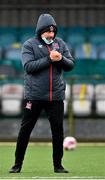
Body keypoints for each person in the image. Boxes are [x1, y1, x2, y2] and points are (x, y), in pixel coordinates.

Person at [9, 13, 75, 173]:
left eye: (53, 32)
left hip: (56, 96)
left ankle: (58, 166)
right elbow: (28, 67)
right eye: (47, 32)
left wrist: (60, 59)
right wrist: (49, 59)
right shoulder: (29, 45)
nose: (51, 35)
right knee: (25, 131)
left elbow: (71, 64)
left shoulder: (60, 44)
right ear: (40, 31)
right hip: (35, 96)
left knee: (58, 132)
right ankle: (17, 165)